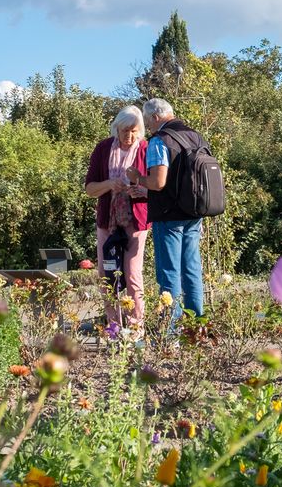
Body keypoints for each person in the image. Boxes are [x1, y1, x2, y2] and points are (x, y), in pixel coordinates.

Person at [128, 97, 206, 322]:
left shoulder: (160, 140)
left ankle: (170, 331)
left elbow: (158, 182)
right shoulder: (195, 136)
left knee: (169, 272)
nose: (148, 126)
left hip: (168, 215)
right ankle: (195, 326)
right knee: (191, 269)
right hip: (194, 212)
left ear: (155, 117)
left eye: (148, 121)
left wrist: (137, 178)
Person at [84, 106, 149, 329]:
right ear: (116, 128)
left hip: (136, 219)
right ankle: (114, 326)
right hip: (107, 220)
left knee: (132, 273)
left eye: (134, 131)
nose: (129, 136)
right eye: (125, 131)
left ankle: (135, 327)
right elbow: (90, 188)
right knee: (106, 273)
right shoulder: (103, 149)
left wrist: (141, 190)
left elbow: (158, 187)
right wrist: (111, 184)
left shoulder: (146, 149)